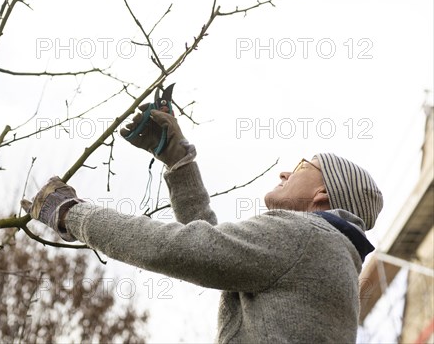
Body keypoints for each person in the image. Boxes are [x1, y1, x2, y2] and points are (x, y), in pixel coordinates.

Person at [21, 107, 383, 343]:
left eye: (303, 166)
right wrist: (180, 164)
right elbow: (214, 251)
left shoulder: (308, 237)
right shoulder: (322, 253)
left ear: (323, 194)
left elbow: (181, 249)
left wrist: (71, 213)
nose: (285, 171)